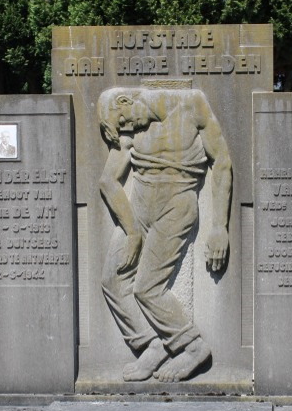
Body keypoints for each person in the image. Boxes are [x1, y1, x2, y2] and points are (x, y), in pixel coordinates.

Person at [97, 86, 232, 383]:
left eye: (124, 123)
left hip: (177, 205)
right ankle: (151, 344)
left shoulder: (193, 104)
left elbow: (221, 161)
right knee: (112, 279)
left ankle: (193, 346)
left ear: (126, 101)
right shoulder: (132, 125)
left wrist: (219, 226)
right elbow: (108, 181)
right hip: (139, 209)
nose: (126, 131)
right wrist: (131, 231)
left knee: (147, 288)